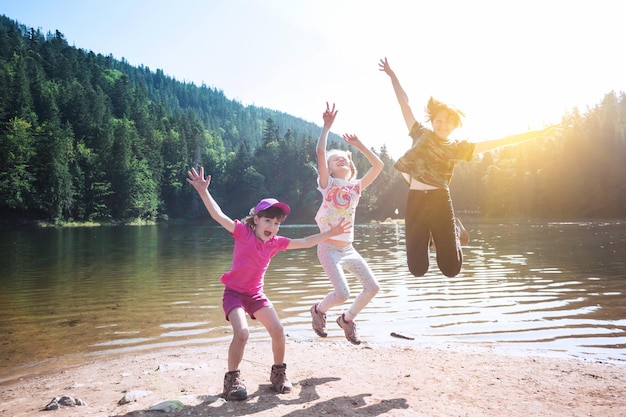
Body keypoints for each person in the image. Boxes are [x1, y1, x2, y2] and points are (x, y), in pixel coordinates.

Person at [379, 57, 558, 278]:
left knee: (451, 270)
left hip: (439, 201)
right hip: (415, 199)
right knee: (417, 269)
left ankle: (456, 230)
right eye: (439, 120)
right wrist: (392, 75)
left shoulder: (458, 148)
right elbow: (404, 103)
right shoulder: (419, 134)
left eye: (449, 121)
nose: (443, 125)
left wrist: (538, 133)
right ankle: (433, 236)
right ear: (432, 120)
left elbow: (501, 141)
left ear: (456, 124)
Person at [186, 167, 350, 401]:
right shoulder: (243, 232)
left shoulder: (275, 243)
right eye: (268, 220)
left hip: (255, 295)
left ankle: (278, 374)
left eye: (276, 223)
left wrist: (329, 233)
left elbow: (304, 241)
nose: (272, 226)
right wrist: (203, 192)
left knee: (278, 330)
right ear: (256, 220)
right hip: (234, 294)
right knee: (242, 333)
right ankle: (232, 379)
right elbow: (218, 215)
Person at [309, 103, 384, 345]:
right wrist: (326, 127)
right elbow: (320, 152)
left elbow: (379, 166)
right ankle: (319, 310)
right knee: (342, 293)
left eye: (344, 159)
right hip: (329, 248)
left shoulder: (356, 187)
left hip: (349, 249)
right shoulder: (327, 184)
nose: (340, 160)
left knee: (373, 288)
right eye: (335, 160)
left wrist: (359, 145)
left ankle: (347, 320)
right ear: (329, 169)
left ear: (350, 167)